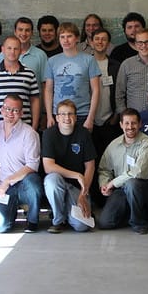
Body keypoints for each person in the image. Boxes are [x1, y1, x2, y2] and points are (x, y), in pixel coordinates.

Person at [98, 109, 148, 234]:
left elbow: (139, 172)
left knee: (132, 183)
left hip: (146, 187)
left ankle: (138, 222)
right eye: (126, 123)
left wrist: (113, 183)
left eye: (134, 123)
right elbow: (104, 169)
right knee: (105, 223)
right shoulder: (113, 145)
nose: (130, 127)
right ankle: (132, 212)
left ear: (140, 124)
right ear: (121, 125)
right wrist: (105, 184)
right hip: (121, 189)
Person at [0, 94, 43, 233]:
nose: (10, 113)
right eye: (7, 109)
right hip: (4, 186)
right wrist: (3, 183)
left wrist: (8, 181)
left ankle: (32, 220)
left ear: (21, 113)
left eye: (15, 110)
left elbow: (32, 165)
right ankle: (11, 210)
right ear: (1, 110)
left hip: (24, 183)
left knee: (33, 183)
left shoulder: (29, 133)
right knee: (0, 226)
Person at [42, 100, 96, 233]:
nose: (67, 118)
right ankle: (58, 220)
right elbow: (48, 167)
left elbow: (90, 166)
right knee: (52, 180)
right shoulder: (48, 134)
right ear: (57, 117)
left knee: (81, 227)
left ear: (76, 117)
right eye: (63, 114)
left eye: (70, 114)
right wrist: (76, 175)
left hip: (77, 188)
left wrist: (83, 193)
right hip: (58, 183)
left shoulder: (83, 134)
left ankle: (67, 210)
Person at [44, 22, 101, 132]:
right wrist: (49, 116)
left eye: (69, 36)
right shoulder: (52, 61)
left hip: (82, 114)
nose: (66, 40)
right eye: (62, 37)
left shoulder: (89, 60)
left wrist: (90, 117)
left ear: (77, 38)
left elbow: (96, 90)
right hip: (59, 114)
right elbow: (48, 90)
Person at [0, 36, 40, 132]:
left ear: (20, 51)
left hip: (24, 129)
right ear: (2, 50)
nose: (12, 52)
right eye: (9, 48)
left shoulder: (29, 74)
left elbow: (35, 101)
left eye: (16, 49)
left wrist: (34, 127)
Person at [90, 29, 121, 158]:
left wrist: (116, 115)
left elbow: (120, 90)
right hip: (89, 119)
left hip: (109, 119)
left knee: (109, 156)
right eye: (97, 39)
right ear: (91, 42)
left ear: (108, 43)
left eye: (104, 39)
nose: (100, 42)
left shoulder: (116, 65)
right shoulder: (85, 63)